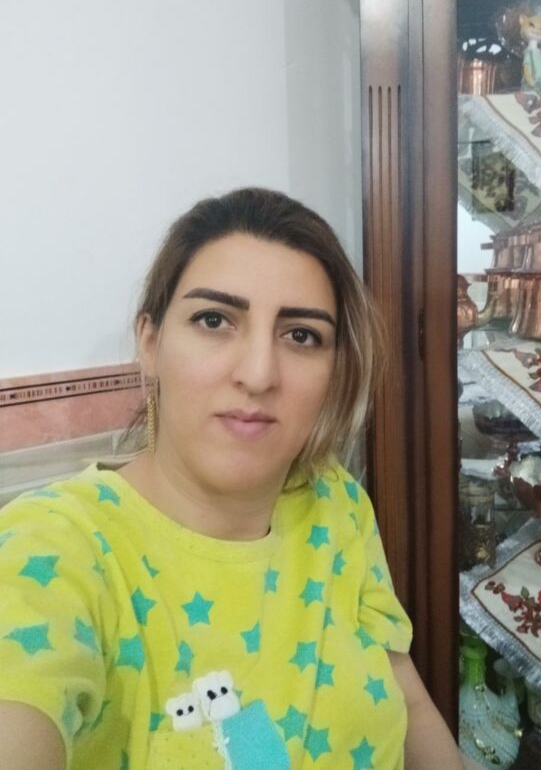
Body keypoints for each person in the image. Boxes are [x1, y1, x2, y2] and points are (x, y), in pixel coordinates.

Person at [0, 188, 463, 769]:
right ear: (151, 343)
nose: (259, 374)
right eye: (214, 320)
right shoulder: (51, 548)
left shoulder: (336, 501)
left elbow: (408, 701)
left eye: (301, 335)